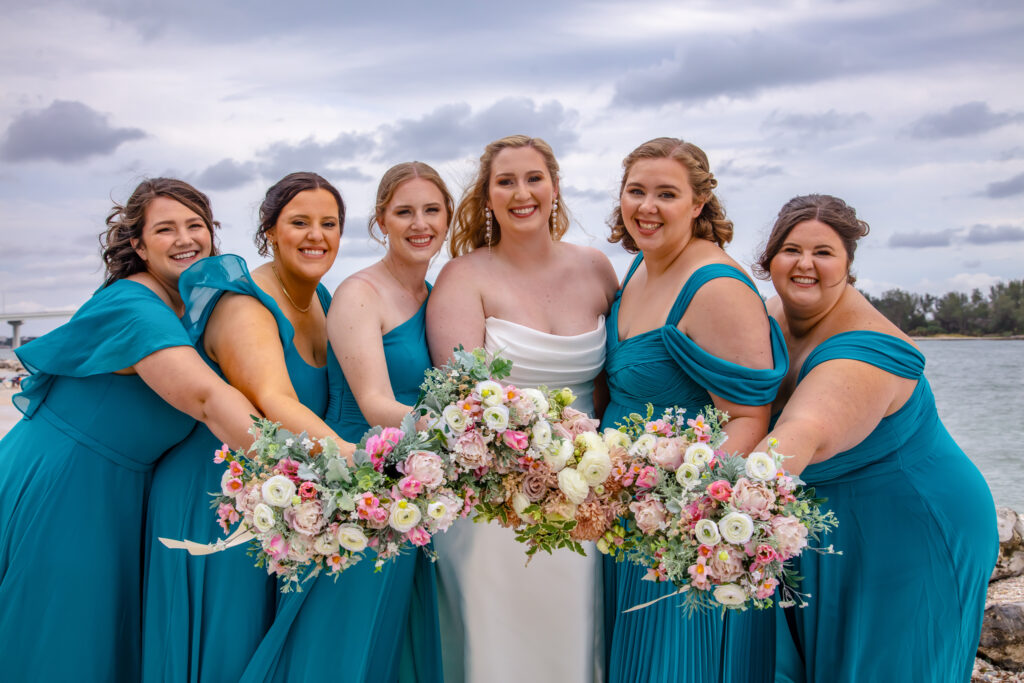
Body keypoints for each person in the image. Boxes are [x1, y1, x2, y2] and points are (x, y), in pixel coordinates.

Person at [0, 178, 258, 682]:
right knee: (56, 638)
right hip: (66, 483)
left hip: (120, 489)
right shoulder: (133, 305)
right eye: (165, 229)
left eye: (195, 225)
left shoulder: (191, 305)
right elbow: (207, 399)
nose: (185, 239)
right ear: (138, 245)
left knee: (100, 642)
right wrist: (302, 470)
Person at [751, 194, 998, 682]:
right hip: (826, 525)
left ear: (848, 264)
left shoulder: (867, 348)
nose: (805, 264)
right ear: (770, 258)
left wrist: (716, 503)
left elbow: (806, 432)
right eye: (791, 249)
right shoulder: (767, 315)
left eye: (823, 252)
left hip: (912, 526)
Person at [239, 162, 453, 682]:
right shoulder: (360, 294)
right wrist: (463, 431)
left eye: (431, 210)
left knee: (387, 637)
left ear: (449, 218)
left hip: (411, 479)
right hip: (357, 477)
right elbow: (376, 401)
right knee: (338, 640)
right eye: (404, 211)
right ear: (380, 221)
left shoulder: (435, 294)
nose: (419, 223)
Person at [143, 172, 354, 683]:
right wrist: (359, 462)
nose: (315, 236)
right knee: (224, 650)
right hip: (213, 497)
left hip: (278, 496)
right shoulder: (244, 302)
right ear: (270, 231)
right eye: (299, 222)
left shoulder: (322, 299)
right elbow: (272, 400)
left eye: (329, 223)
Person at [427, 135, 619, 683]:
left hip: (586, 496)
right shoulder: (464, 276)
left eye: (533, 178)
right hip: (497, 500)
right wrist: (538, 467)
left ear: (554, 187)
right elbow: (461, 399)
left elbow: (616, 380)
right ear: (487, 198)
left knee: (577, 641)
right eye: (505, 182)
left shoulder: (597, 269)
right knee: (498, 649)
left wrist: (587, 467)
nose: (521, 193)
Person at [600, 137, 788, 683]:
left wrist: (678, 509)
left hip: (677, 528)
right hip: (624, 513)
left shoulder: (717, 287)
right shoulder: (639, 266)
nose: (646, 207)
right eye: (636, 191)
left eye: (666, 193)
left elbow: (750, 421)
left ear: (699, 204)